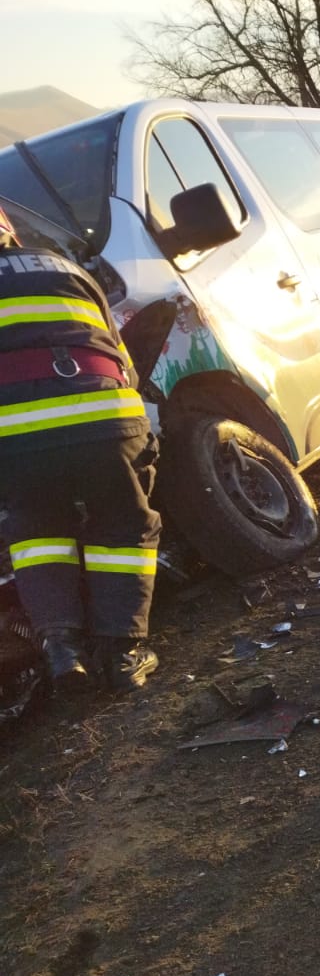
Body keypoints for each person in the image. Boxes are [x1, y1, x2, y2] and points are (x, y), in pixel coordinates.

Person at [0, 203, 160, 695]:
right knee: (123, 522)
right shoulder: (65, 267)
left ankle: (62, 649)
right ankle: (123, 654)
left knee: (37, 532)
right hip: (104, 415)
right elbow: (121, 357)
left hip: (15, 435)